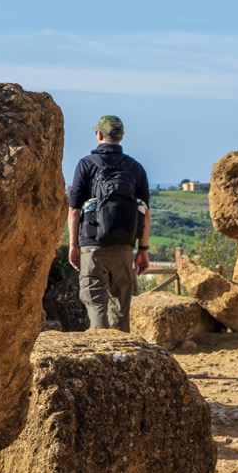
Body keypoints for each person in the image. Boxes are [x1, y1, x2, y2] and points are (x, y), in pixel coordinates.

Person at [65, 115, 151, 331]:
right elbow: (145, 212)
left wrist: (73, 245)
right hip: (124, 246)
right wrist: (143, 249)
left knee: (96, 304)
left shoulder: (86, 165)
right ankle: (122, 356)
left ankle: (102, 353)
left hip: (92, 245)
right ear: (121, 137)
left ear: (100, 134)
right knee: (121, 308)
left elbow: (74, 210)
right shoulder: (135, 167)